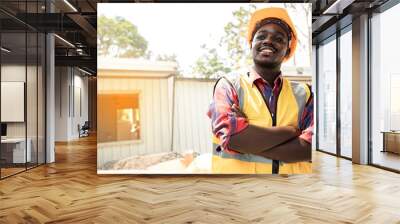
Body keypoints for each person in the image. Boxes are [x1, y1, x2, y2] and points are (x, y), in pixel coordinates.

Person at [207, 7, 313, 174]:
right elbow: (234, 140)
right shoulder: (229, 85)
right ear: (252, 44)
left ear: (287, 50)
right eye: (261, 36)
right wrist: (291, 132)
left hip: (291, 194)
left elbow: (309, 149)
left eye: (278, 38)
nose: (268, 41)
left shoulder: (305, 94)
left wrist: (250, 140)